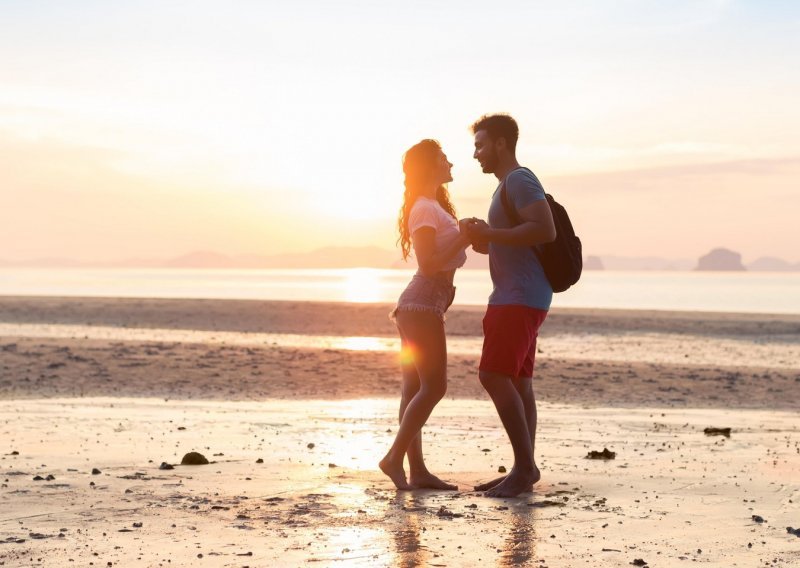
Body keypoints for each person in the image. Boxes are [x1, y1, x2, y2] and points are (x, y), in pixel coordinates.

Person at [466, 114, 557, 498]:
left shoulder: (519, 180)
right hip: (520, 295)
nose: (476, 154)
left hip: (518, 297)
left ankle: (524, 469)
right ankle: (524, 468)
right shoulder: (505, 187)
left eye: (481, 145)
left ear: (501, 144)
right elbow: (515, 236)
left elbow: (545, 229)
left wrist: (490, 233)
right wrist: (483, 238)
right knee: (519, 381)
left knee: (492, 375)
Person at [379, 139, 472, 490]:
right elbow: (429, 264)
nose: (450, 162)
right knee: (435, 387)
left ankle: (416, 471)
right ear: (429, 166)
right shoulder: (423, 208)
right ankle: (393, 458)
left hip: (421, 306)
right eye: (443, 157)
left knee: (414, 389)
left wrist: (472, 234)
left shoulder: (433, 206)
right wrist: (463, 238)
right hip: (420, 305)